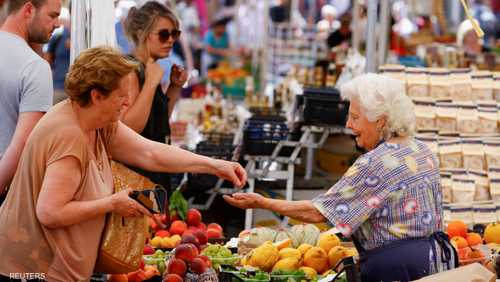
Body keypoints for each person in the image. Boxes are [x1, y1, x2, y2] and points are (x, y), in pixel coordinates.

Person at [0, 46, 247, 281]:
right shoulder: (69, 135)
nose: (127, 103)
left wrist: (215, 165)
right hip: (34, 271)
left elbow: (149, 153)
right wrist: (111, 204)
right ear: (97, 96)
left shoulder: (97, 123)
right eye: (121, 96)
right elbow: (50, 212)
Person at [225, 73, 457, 282]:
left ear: (381, 121)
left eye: (355, 117)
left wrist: (262, 202)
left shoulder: (374, 163)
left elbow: (318, 212)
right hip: (436, 263)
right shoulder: (422, 150)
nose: (348, 125)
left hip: (396, 270)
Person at [122, 2, 188, 193]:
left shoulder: (150, 68)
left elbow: (157, 124)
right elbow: (129, 129)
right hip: (138, 177)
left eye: (175, 34)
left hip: (154, 171)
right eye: (163, 34)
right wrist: (151, 83)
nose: (171, 40)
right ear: (142, 33)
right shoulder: (131, 71)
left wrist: (174, 87)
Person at [0, 0, 61, 205]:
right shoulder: (34, 67)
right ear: (28, 10)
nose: (58, 23)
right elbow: (25, 143)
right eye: (52, 15)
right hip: (7, 189)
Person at [44, 6, 70, 104]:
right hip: (58, 88)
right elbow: (47, 59)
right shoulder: (58, 35)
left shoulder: (86, 34)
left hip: (77, 91)